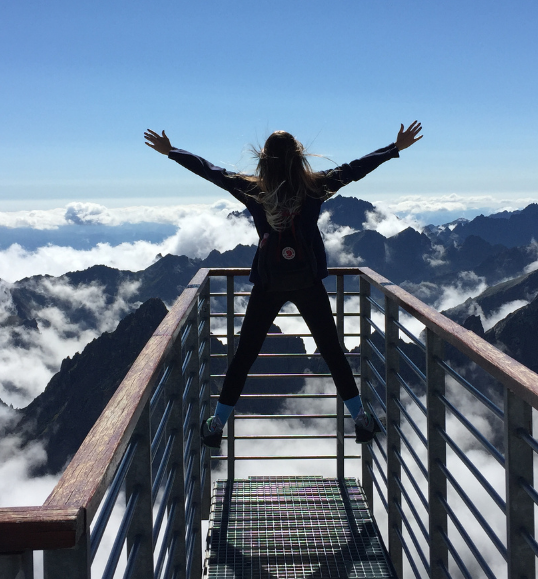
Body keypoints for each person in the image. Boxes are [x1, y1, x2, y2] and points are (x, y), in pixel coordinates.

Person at [144, 122, 423, 448]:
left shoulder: (253, 190)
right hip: (307, 282)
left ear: (264, 160)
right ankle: (361, 416)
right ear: (299, 156)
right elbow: (355, 169)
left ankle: (217, 422)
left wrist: (172, 151)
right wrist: (395, 147)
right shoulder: (315, 188)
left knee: (244, 355)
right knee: (333, 352)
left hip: (269, 283)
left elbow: (212, 172)